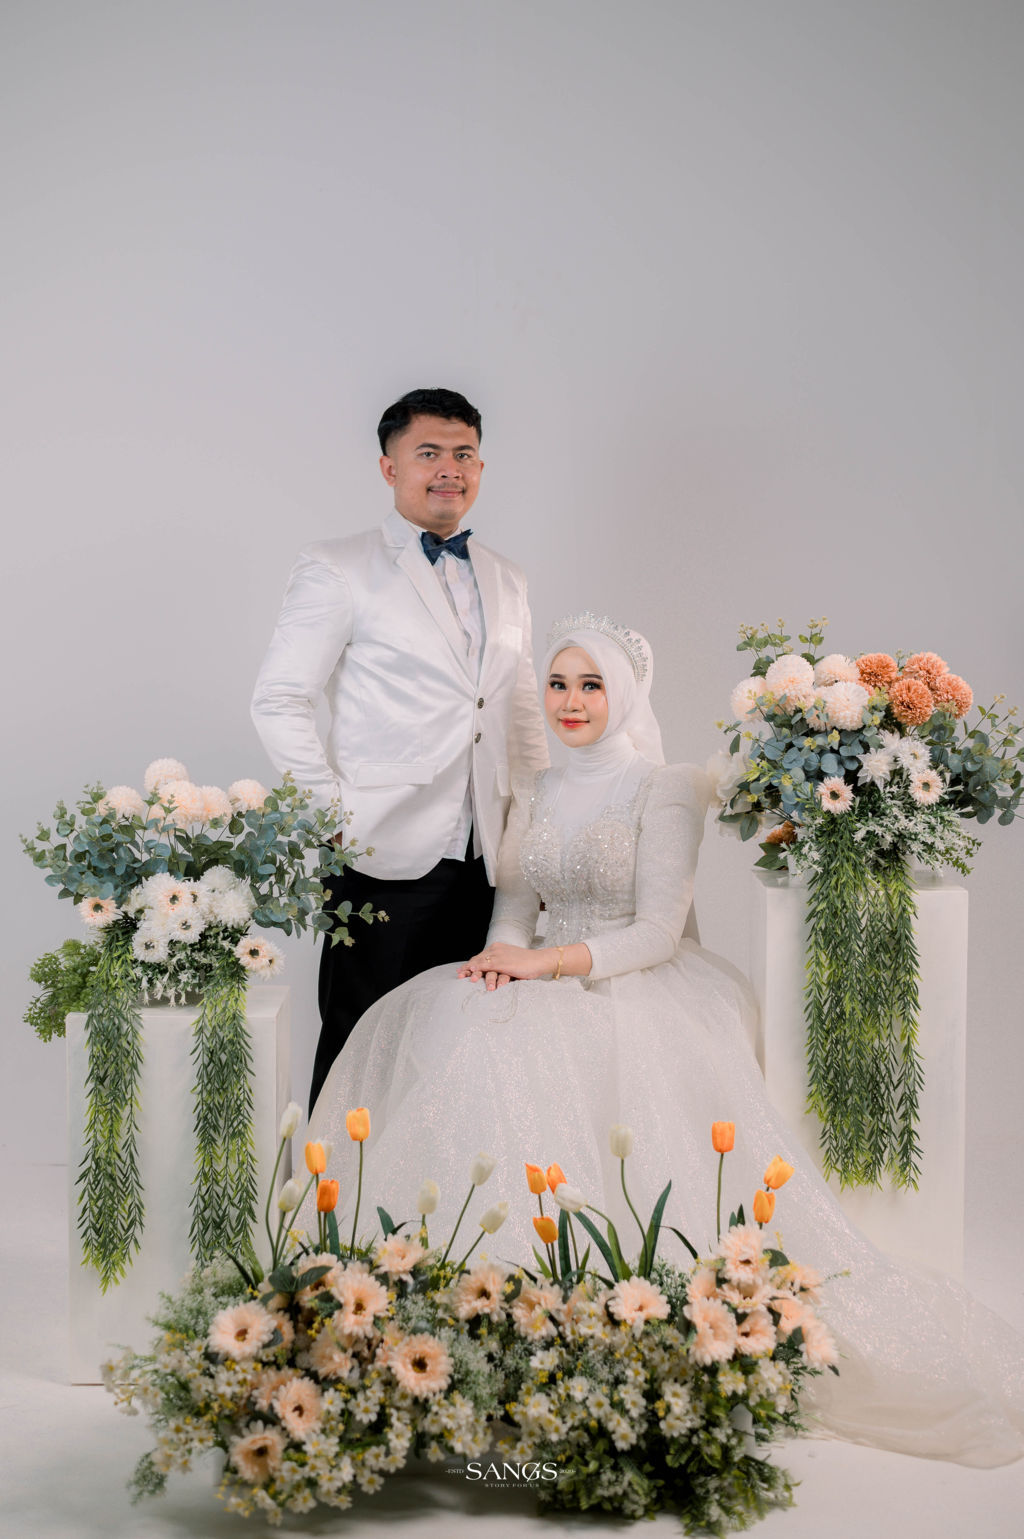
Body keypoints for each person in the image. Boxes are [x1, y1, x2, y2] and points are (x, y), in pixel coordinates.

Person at [305, 611, 1024, 1468]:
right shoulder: (533, 785)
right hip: (543, 969)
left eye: (591, 684)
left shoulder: (667, 785)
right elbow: (516, 905)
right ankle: (466, 1320)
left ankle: (597, 1320)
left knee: (563, 1072)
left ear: (625, 691)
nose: (570, 701)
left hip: (633, 981)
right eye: (558, 684)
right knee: (456, 1027)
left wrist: (549, 965)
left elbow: (656, 930)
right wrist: (502, 959)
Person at [251, 388, 548, 1110]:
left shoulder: (508, 577)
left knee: (468, 1050)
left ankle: (448, 1187)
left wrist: (537, 825)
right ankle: (333, 1187)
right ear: (389, 467)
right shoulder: (338, 566)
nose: (450, 468)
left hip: (489, 854)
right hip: (380, 848)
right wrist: (329, 813)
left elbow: (520, 711)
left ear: (481, 467)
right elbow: (279, 698)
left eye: (464, 454)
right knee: (361, 1044)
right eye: (429, 453)